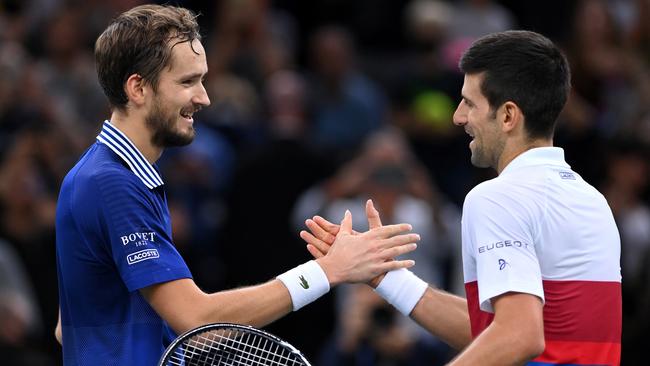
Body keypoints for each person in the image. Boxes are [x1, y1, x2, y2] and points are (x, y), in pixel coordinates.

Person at [53, 5, 421, 365]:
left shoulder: (100, 174)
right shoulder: (112, 183)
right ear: (138, 88)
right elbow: (194, 318)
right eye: (187, 81)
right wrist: (327, 272)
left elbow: (69, 325)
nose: (204, 97)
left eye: (202, 79)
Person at [302, 30, 622, 365]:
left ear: (508, 116)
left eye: (469, 102)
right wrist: (383, 276)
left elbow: (519, 337)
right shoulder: (592, 200)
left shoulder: (497, 198)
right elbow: (506, 332)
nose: (458, 116)